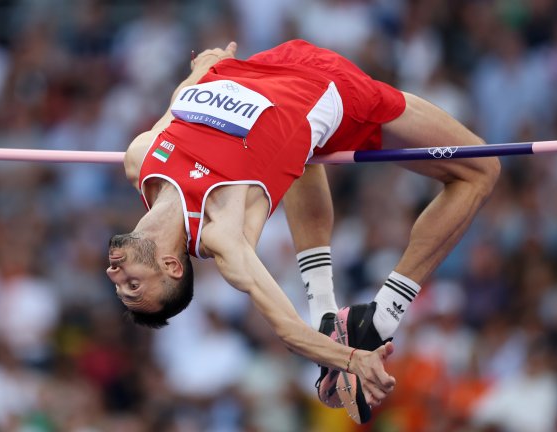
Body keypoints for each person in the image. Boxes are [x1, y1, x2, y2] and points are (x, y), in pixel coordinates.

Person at [107, 39, 500, 423]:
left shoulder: (139, 158)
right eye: (133, 287)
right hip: (329, 89)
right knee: (482, 168)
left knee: (293, 154)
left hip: (264, 62)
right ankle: (382, 316)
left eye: (121, 287)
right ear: (173, 266)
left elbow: (179, 107)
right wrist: (353, 360)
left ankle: (328, 311)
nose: (115, 277)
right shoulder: (221, 232)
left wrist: (202, 68)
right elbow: (288, 331)